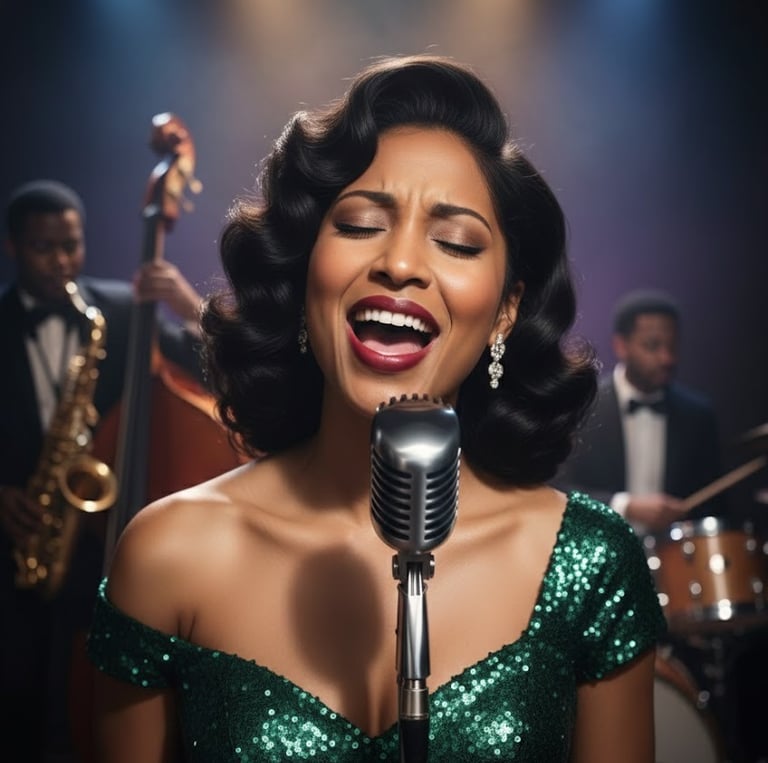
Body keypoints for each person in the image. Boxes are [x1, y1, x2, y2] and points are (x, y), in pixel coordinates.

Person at [86, 55, 666, 762]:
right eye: (360, 224)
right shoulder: (168, 554)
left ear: (505, 311)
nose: (401, 263)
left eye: (455, 241)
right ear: (306, 274)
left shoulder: (589, 561)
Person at [0, 179, 208, 762]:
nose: (62, 261)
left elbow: (214, 365)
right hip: (15, 550)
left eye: (72, 245)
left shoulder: (118, 309)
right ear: (13, 246)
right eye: (44, 247)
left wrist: (188, 305)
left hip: (103, 547)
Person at [556, 289, 723, 534]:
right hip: (599, 545)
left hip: (675, 553)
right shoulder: (581, 406)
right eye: (652, 346)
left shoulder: (698, 415)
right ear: (621, 346)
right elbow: (557, 487)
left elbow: (715, 507)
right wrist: (626, 506)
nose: (666, 358)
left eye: (672, 346)